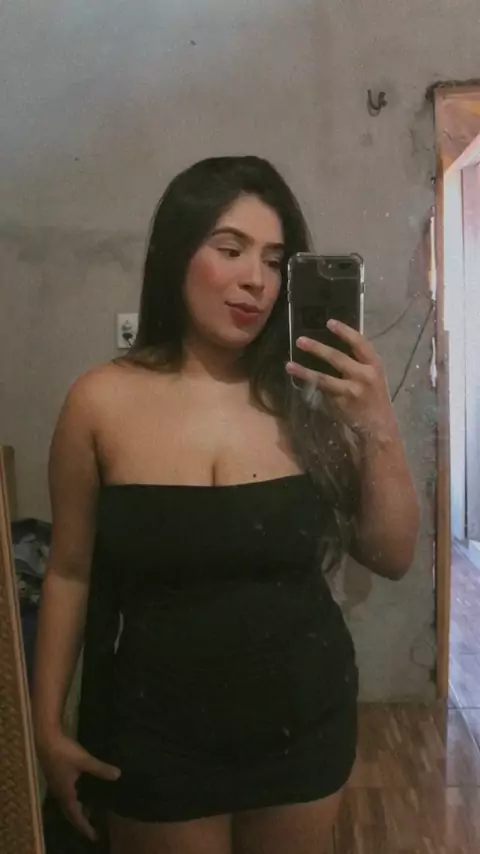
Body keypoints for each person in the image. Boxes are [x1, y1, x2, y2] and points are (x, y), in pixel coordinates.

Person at [32, 156, 419, 854]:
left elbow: (392, 555)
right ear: (176, 255)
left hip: (303, 727)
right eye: (230, 249)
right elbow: (68, 572)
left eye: (274, 260)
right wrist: (47, 725)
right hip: (154, 734)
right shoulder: (99, 401)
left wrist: (378, 423)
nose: (256, 281)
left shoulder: (307, 399)